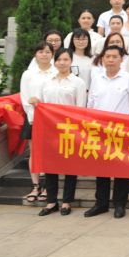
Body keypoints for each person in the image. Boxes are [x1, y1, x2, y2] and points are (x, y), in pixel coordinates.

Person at [84, 45, 129, 219]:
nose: (110, 60)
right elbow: (91, 104)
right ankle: (101, 203)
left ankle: (120, 204)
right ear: (102, 59)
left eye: (115, 57)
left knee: (122, 169)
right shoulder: (97, 79)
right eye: (107, 56)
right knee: (101, 169)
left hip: (122, 131)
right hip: (100, 130)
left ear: (121, 60)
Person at [32, 48, 87, 216]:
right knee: (50, 166)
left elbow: (81, 108)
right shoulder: (46, 81)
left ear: (71, 61)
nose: (62, 63)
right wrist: (35, 102)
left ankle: (67, 201)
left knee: (70, 167)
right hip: (49, 129)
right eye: (59, 60)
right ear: (54, 62)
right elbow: (41, 103)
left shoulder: (78, 82)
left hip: (70, 129)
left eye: (65, 60)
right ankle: (51, 202)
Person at [20, 42, 56, 203]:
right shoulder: (28, 74)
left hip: (52, 119)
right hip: (33, 117)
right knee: (34, 152)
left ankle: (48, 186)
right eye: (40, 51)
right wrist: (33, 115)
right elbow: (25, 97)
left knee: (50, 153)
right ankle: (35, 186)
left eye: (47, 52)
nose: (44, 54)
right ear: (35, 54)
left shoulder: (56, 72)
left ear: (52, 54)